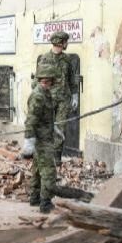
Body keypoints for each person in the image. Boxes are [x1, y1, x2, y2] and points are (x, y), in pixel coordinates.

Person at [35, 31, 77, 165]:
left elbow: (72, 79)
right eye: (65, 42)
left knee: (60, 128)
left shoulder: (67, 59)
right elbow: (38, 80)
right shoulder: (44, 59)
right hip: (48, 99)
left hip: (63, 99)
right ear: (60, 42)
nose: (66, 44)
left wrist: (75, 95)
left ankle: (56, 158)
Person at [23, 60, 57, 213]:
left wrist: (53, 127)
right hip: (41, 140)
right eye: (52, 80)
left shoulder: (44, 93)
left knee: (37, 170)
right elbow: (31, 120)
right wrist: (29, 141)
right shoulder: (38, 96)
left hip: (44, 136)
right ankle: (45, 203)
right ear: (47, 79)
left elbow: (44, 117)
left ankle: (35, 198)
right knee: (48, 171)